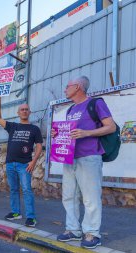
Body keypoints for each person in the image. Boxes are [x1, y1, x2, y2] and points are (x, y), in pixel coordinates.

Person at [52, 76, 116, 249]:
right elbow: (70, 133)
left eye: (67, 86)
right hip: (70, 157)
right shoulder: (71, 109)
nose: (65, 89)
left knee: (91, 197)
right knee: (69, 195)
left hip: (89, 156)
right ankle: (73, 229)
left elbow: (111, 127)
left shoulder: (95, 104)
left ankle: (92, 233)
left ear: (78, 87)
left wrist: (86, 133)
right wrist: (57, 134)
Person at [0, 96, 42, 227]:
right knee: (14, 189)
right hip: (10, 163)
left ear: (30, 112)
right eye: (22, 109)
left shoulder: (34, 129)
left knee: (27, 189)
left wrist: (33, 162)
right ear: (18, 113)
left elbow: (39, 146)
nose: (24, 111)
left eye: (26, 109)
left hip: (24, 165)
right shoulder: (12, 126)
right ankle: (16, 212)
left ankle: (31, 217)